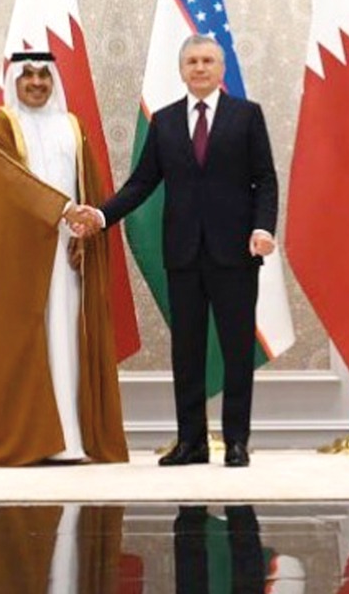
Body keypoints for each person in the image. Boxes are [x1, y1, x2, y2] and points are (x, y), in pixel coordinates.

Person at [72, 34, 277, 468]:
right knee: (187, 350)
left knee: (237, 348)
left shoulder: (247, 116)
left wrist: (262, 228)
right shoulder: (164, 122)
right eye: (191, 62)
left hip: (236, 253)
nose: (200, 68)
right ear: (182, 70)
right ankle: (192, 442)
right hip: (183, 255)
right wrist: (103, 216)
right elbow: (142, 183)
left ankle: (237, 441)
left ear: (221, 70)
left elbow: (266, 179)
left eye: (207, 61)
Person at [0, 51, 128, 467]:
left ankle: (69, 439)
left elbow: (88, 183)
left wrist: (85, 229)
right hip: (20, 257)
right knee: (30, 341)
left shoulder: (72, 126)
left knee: (68, 337)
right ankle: (32, 440)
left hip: (67, 255)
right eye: (27, 74)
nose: (36, 82)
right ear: (14, 79)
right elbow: (9, 182)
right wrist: (63, 210)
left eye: (43, 75)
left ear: (54, 80)